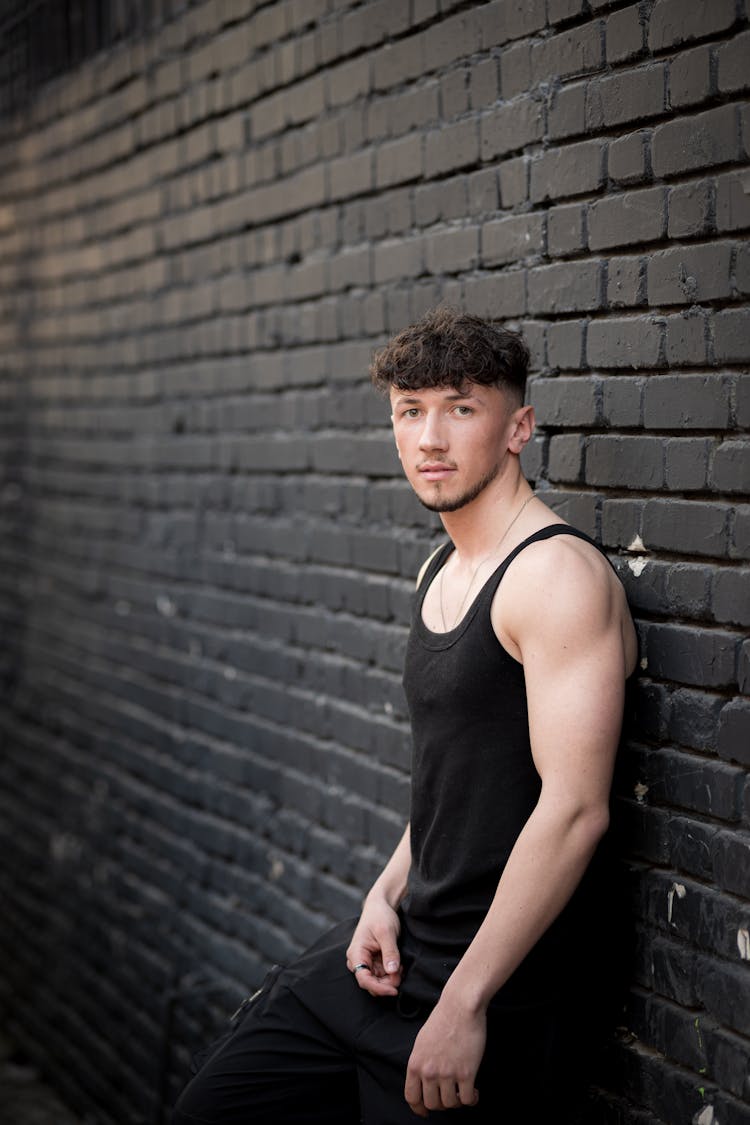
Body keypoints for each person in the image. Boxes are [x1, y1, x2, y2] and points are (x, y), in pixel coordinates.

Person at [172, 307, 638, 1124]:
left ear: (517, 427)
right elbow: (457, 778)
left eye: (461, 407)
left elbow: (573, 811)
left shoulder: (555, 578)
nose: (431, 437)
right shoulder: (443, 566)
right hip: (401, 952)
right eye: (409, 410)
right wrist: (385, 892)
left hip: (489, 986)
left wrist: (464, 1003)